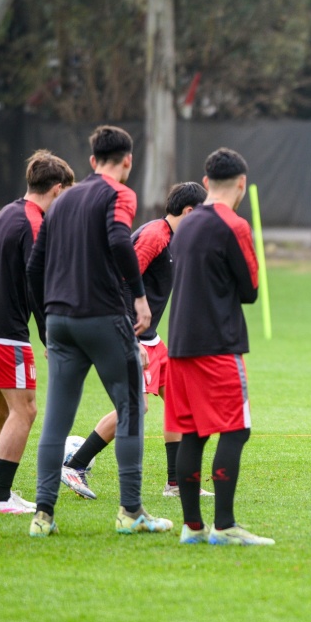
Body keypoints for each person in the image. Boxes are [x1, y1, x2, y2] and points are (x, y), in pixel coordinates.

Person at [26, 125, 173, 537]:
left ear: (91, 161)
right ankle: (131, 512)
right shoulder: (121, 194)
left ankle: (43, 516)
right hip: (102, 316)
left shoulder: (62, 199)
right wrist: (140, 298)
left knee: (56, 418)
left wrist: (47, 319)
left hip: (60, 320)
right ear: (127, 160)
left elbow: (34, 267)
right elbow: (118, 240)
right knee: (132, 409)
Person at [60, 182, 213, 500]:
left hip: (152, 338)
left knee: (179, 400)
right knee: (136, 406)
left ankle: (175, 483)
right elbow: (120, 279)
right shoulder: (155, 235)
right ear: (189, 212)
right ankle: (75, 465)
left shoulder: (174, 239)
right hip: (131, 335)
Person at [165, 148, 273, 546]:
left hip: (180, 345)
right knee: (236, 429)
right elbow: (250, 291)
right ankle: (224, 526)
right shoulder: (235, 225)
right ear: (241, 184)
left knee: (192, 433)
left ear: (206, 183)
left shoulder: (186, 224)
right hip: (218, 344)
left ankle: (192, 528)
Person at [0, 150, 74, 516]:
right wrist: (50, 335)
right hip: (6, 332)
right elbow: (36, 284)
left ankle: (0, 494)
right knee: (24, 410)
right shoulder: (33, 222)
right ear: (57, 190)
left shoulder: (3, 215)